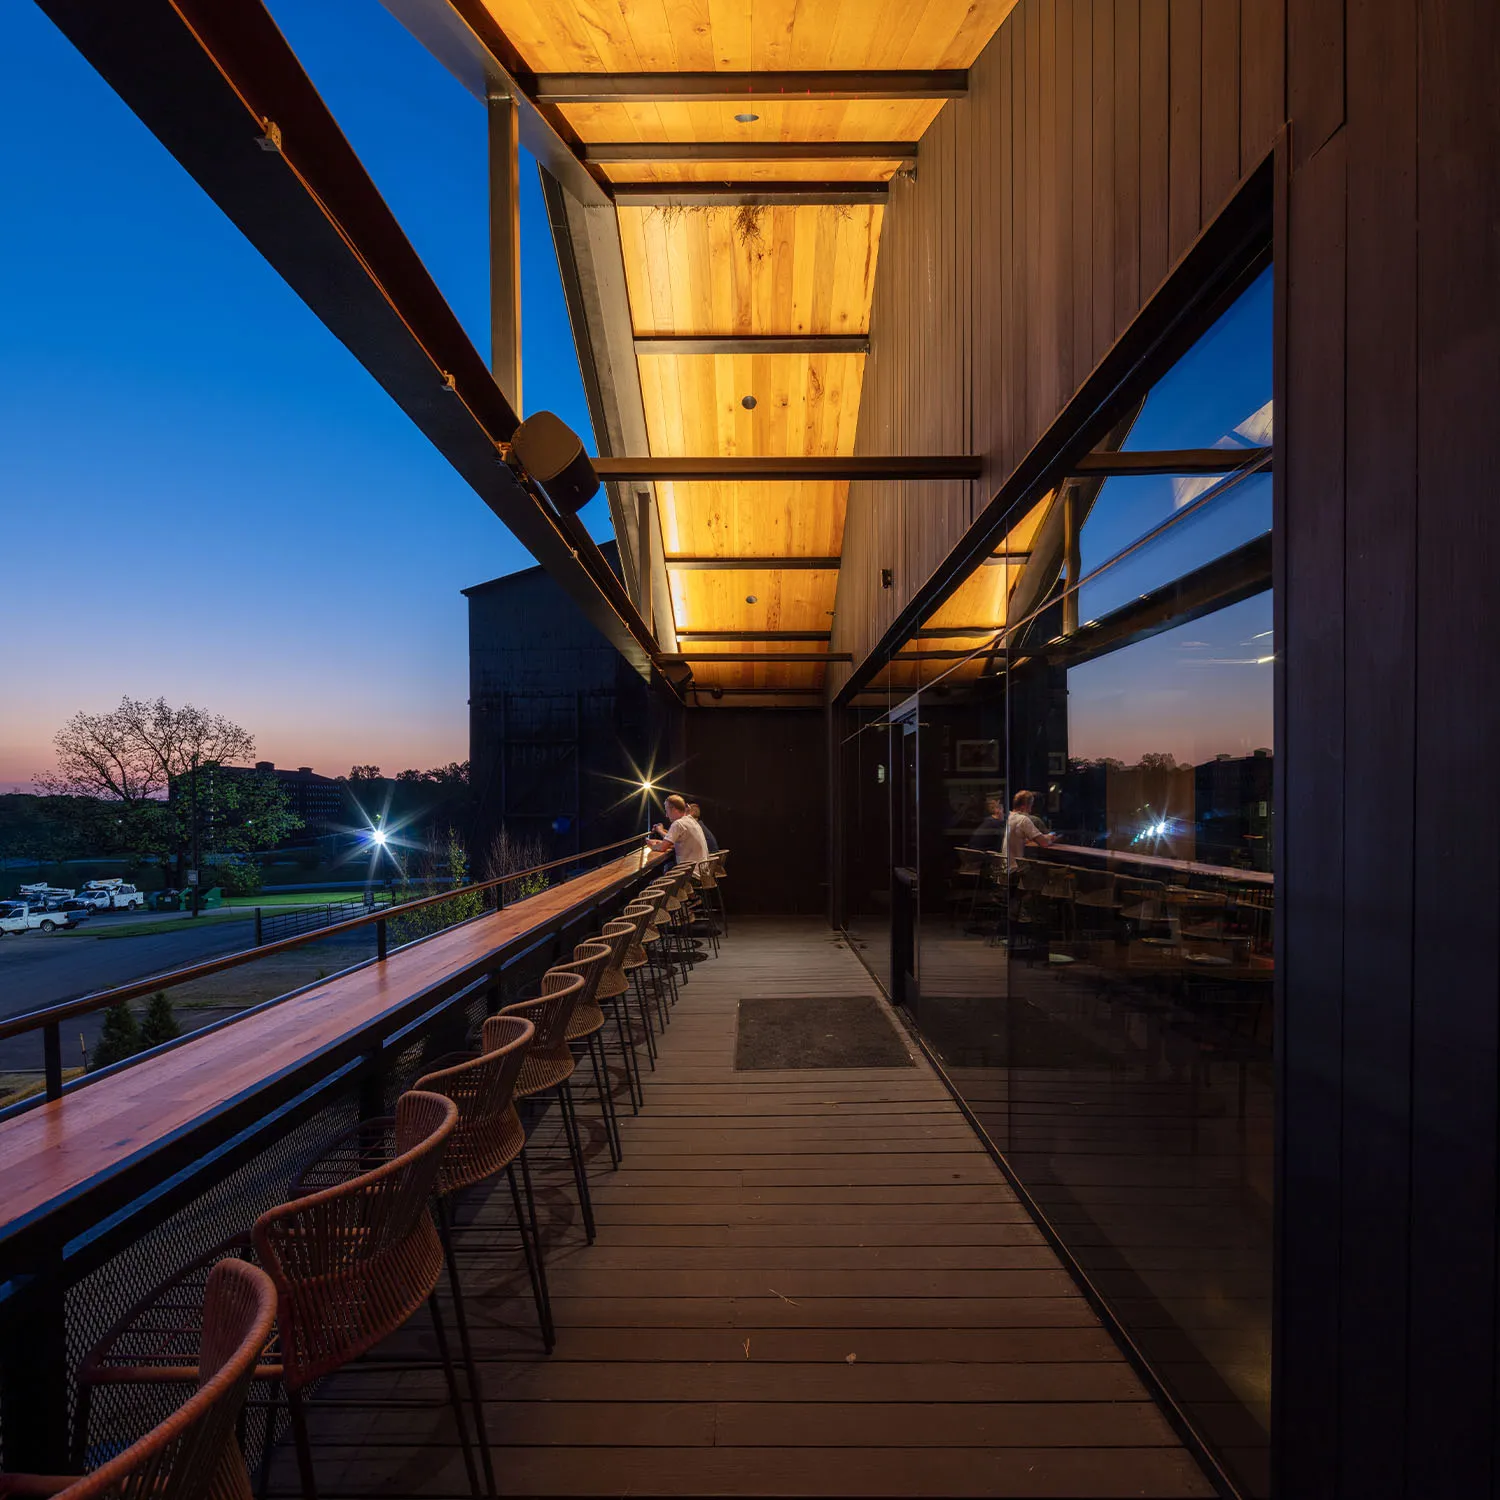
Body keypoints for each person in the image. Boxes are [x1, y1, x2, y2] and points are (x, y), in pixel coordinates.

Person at [647, 793, 709, 870]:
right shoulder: (691, 820)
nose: (666, 815)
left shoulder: (678, 823)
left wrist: (652, 845)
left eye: (667, 810)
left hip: (691, 875)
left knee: (655, 880)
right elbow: (683, 843)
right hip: (703, 873)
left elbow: (662, 848)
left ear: (673, 809)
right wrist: (663, 843)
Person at [1005, 789, 1058, 870]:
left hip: (1004, 867)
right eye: (1030, 806)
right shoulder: (1023, 819)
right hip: (1016, 869)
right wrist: (1050, 837)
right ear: (1024, 807)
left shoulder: (1007, 817)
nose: (1030, 810)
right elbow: (1044, 843)